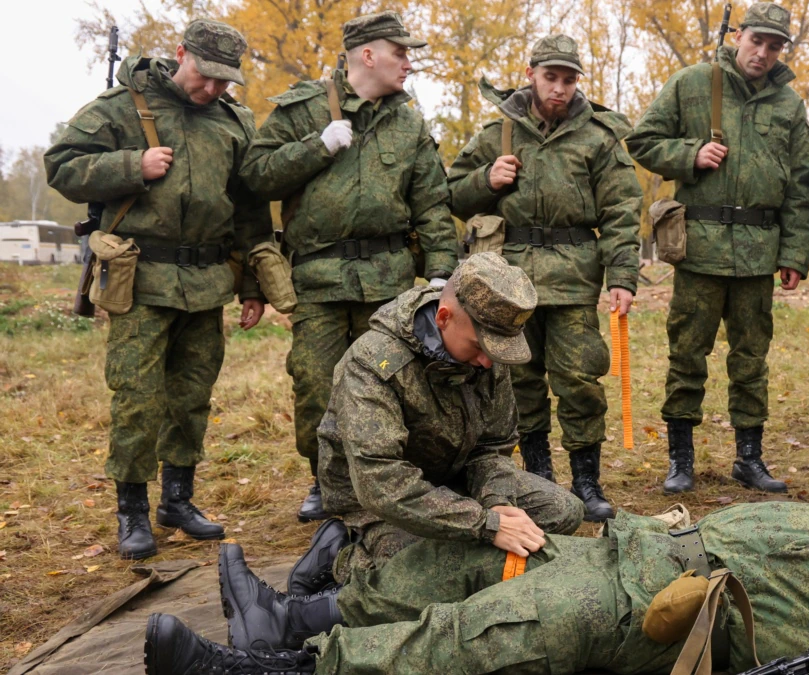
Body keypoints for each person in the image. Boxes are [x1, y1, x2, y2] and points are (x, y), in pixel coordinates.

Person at [146, 501, 809, 674]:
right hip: (641, 547)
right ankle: (287, 616)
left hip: (665, 605)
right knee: (466, 563)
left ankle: (279, 671)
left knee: (492, 631)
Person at [44, 20, 273, 560]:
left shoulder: (234, 122)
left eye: (225, 80)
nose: (214, 89)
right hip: (142, 279)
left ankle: (178, 500)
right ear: (180, 55)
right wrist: (132, 166)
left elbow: (249, 210)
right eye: (206, 76)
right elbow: (61, 166)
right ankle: (131, 511)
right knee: (137, 401)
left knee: (192, 397)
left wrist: (252, 286)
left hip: (206, 282)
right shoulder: (124, 106)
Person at [240, 11, 459, 522]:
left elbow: (431, 204)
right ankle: (325, 481)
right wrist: (316, 147)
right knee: (317, 383)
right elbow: (255, 177)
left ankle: (390, 481)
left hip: (388, 281)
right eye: (400, 52)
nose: (408, 63)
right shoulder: (305, 109)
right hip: (318, 279)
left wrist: (443, 273)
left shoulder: (408, 121)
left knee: (393, 384)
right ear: (367, 55)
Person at [282, 253, 584, 598]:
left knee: (563, 512)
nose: (488, 361)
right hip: (379, 502)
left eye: (498, 349)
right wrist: (486, 525)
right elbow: (381, 483)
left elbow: (492, 446)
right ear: (443, 317)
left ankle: (466, 554)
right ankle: (341, 555)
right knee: (421, 570)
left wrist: (497, 501)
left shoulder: (484, 352)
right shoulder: (374, 363)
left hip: (452, 481)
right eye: (480, 347)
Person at [446, 35, 642, 523]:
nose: (558, 88)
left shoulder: (597, 137)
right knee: (519, 381)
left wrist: (622, 275)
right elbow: (449, 194)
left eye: (568, 79)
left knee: (579, 378)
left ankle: (586, 481)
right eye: (550, 77)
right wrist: (485, 180)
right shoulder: (500, 134)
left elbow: (621, 210)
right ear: (531, 73)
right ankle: (537, 477)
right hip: (509, 281)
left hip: (574, 276)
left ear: (577, 82)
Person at [626, 2, 809, 495]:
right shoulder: (693, 83)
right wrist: (689, 155)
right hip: (701, 250)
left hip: (758, 253)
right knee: (687, 354)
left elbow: (799, 187)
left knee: (752, 359)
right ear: (739, 35)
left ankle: (748, 458)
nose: (763, 53)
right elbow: (642, 141)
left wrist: (795, 254)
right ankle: (681, 460)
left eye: (774, 46)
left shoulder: (789, 106)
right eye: (757, 41)